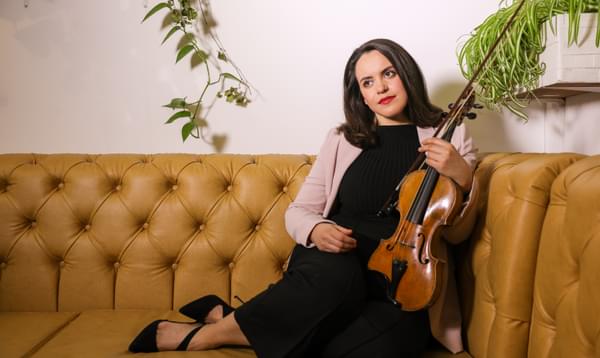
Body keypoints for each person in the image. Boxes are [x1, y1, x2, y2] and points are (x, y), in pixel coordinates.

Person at [129, 38, 479, 357]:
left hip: (403, 283)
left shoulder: (450, 135)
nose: (381, 88)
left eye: (388, 73)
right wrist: (316, 231)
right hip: (333, 268)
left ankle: (235, 319)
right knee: (337, 281)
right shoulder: (343, 139)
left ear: (406, 73)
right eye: (367, 82)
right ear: (360, 94)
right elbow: (299, 212)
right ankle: (208, 336)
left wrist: (461, 174)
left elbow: (457, 233)